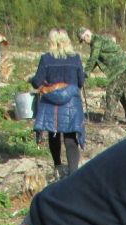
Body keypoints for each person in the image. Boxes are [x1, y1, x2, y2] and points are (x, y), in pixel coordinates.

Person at [30, 28, 86, 180]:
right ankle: (74, 173)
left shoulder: (46, 58)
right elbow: (81, 81)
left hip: (51, 103)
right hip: (71, 103)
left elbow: (37, 82)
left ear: (51, 41)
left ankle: (58, 167)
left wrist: (34, 80)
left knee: (53, 133)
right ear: (67, 41)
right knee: (70, 137)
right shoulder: (75, 58)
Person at [77, 27, 126, 123]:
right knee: (124, 94)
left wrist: (85, 73)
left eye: (83, 40)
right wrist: (86, 73)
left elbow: (93, 59)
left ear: (87, 35)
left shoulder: (97, 42)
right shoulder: (97, 42)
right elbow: (95, 60)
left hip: (120, 68)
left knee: (112, 92)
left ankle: (108, 119)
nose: (84, 43)